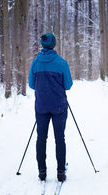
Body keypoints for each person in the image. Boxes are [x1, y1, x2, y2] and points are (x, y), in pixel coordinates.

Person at [28, 33, 73, 182]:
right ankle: (61, 172)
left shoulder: (35, 63)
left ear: (42, 45)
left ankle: (42, 172)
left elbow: (31, 85)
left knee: (41, 138)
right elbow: (68, 85)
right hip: (59, 106)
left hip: (41, 106)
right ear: (54, 45)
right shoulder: (62, 63)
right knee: (60, 138)